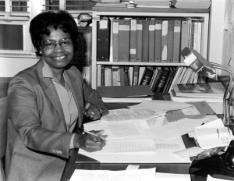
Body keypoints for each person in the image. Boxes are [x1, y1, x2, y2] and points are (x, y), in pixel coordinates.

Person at [5, 10, 108, 181]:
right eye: (49, 43)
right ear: (39, 47)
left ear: (73, 44)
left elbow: (94, 98)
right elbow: (30, 133)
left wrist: (92, 108)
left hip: (70, 160)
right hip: (36, 169)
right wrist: (75, 140)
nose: (59, 49)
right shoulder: (23, 84)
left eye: (64, 42)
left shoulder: (72, 73)